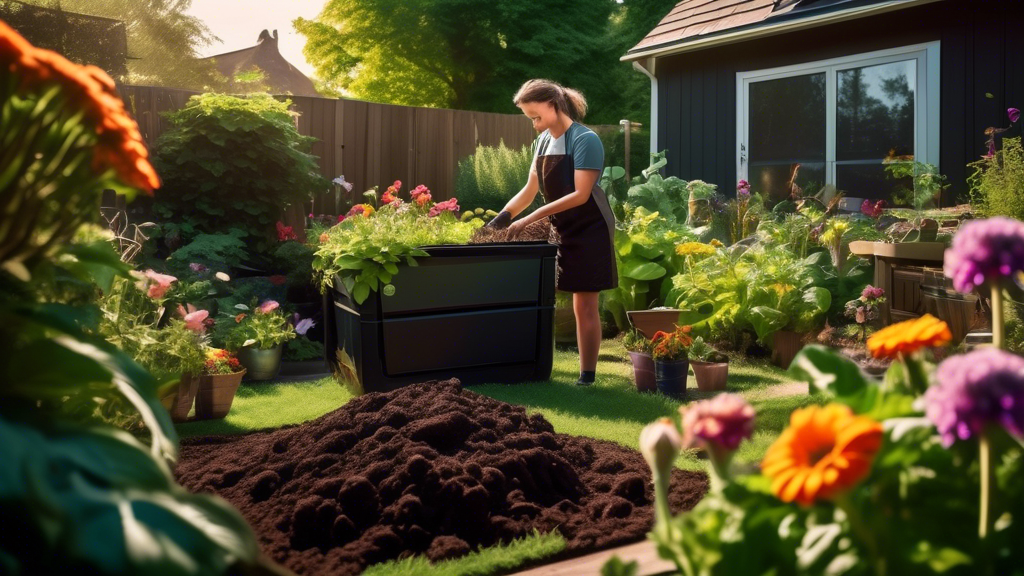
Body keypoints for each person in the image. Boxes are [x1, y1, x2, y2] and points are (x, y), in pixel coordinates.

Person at [486, 79, 617, 386]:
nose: (534, 124)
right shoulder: (543, 141)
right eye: (530, 118)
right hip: (560, 224)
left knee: (584, 302)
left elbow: (580, 195)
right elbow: (530, 190)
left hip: (590, 228)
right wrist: (501, 220)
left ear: (554, 106)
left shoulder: (586, 140)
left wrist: (529, 220)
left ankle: (587, 376)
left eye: (536, 116)